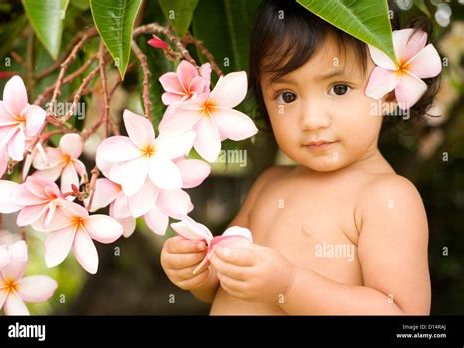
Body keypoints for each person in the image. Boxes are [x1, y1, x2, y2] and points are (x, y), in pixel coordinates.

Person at [160, 0, 441, 315]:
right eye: (287, 96)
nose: (312, 120)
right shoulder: (269, 185)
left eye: (338, 88)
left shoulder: (387, 198)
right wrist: (198, 269)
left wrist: (289, 286)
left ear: (390, 91)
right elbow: (223, 284)